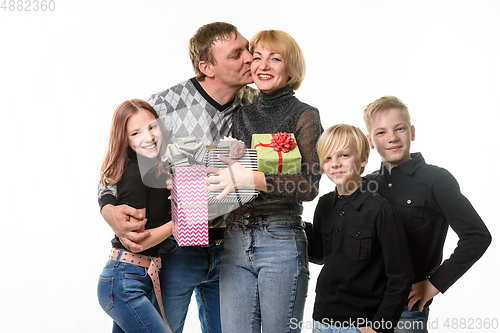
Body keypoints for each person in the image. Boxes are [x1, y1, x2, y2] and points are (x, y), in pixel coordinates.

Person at [97, 22, 259, 333]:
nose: (250, 58)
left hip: (234, 250)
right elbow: (117, 160)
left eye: (248, 49)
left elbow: (268, 175)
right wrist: (108, 209)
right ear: (206, 67)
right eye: (236, 54)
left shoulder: (257, 106)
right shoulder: (165, 105)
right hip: (176, 252)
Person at [206, 30, 323, 332]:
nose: (264, 65)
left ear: (291, 67)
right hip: (234, 239)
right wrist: (185, 188)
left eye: (275, 58)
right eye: (257, 57)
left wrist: (253, 177)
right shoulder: (239, 113)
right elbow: (222, 171)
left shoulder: (305, 115)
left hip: (281, 238)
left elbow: (309, 185)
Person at [363, 96, 492, 333]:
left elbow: (477, 236)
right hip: (361, 310)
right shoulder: (363, 185)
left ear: (411, 132)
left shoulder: (436, 180)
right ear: (370, 141)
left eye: (399, 128)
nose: (392, 137)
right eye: (381, 133)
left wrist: (434, 284)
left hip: (406, 311)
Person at [308, 124, 413, 333]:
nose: (335, 164)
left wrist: (379, 327)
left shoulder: (380, 209)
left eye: (344, 155)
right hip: (321, 320)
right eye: (327, 158)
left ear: (364, 159)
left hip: (362, 324)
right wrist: (292, 225)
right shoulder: (324, 204)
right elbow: (320, 255)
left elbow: (401, 275)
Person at [97, 99, 173, 333]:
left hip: (139, 279)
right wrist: (182, 221)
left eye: (152, 127)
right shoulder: (135, 171)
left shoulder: (156, 169)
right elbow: (137, 242)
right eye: (136, 133)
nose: (149, 137)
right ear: (125, 140)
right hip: (124, 282)